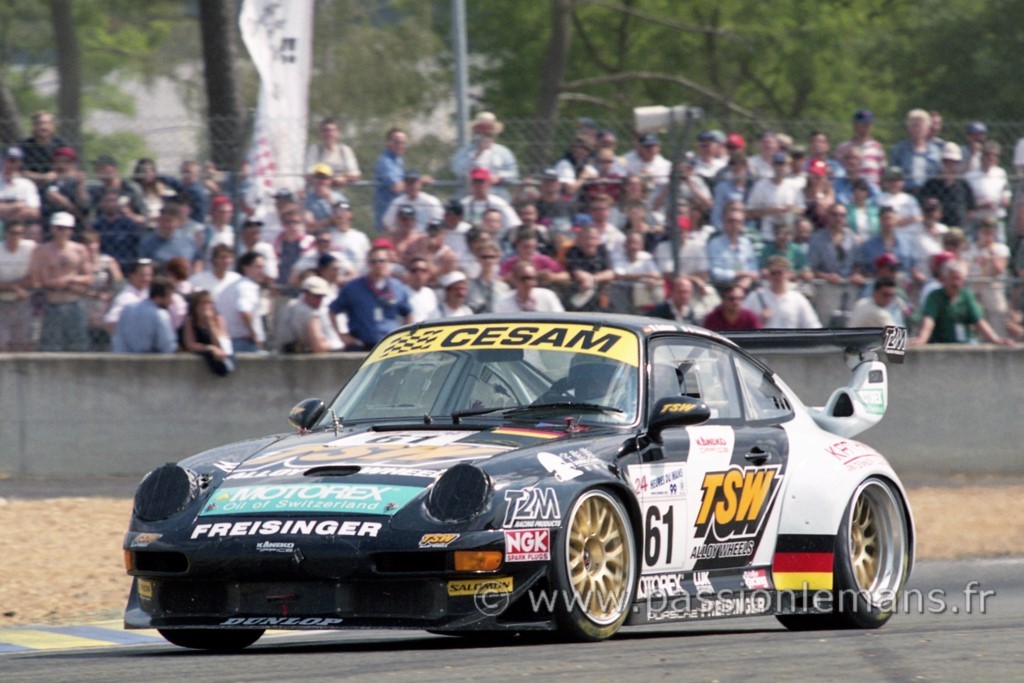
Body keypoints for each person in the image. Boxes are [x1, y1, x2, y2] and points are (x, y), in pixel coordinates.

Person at [28, 212, 91, 351]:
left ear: (71, 230)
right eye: (59, 227)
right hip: (52, 303)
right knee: (51, 346)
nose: (62, 232)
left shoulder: (79, 250)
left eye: (66, 228)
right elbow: (35, 278)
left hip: (74, 302)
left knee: (78, 346)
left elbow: (88, 277)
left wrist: (70, 279)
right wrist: (52, 283)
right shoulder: (41, 250)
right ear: (52, 229)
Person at [329, 246, 412, 350]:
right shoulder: (353, 287)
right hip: (361, 347)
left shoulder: (397, 287)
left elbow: (408, 313)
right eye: (374, 261)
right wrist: (342, 336)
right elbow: (332, 311)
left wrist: (407, 337)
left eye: (381, 261)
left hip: (390, 348)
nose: (378, 265)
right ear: (368, 263)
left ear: (388, 262)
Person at [911, 260, 1011, 345]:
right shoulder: (935, 296)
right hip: (941, 343)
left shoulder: (966, 296)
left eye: (959, 279)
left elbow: (978, 321)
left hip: (965, 343)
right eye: (953, 278)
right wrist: (922, 338)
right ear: (944, 279)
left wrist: (995, 339)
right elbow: (929, 320)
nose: (956, 283)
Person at [451, 111, 520, 199]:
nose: (485, 131)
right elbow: (457, 170)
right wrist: (477, 153)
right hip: (469, 195)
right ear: (475, 129)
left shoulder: (503, 152)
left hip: (497, 195)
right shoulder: (465, 151)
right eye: (482, 127)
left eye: (489, 127)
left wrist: (500, 177)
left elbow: (514, 174)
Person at [743, 257, 821, 329]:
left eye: (779, 273)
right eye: (773, 273)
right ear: (768, 275)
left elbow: (812, 325)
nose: (776, 277)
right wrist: (758, 321)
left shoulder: (798, 299)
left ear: (788, 274)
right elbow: (741, 325)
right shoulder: (755, 297)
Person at [963, 217, 1010, 336]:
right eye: (985, 232)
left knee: (997, 317)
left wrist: (991, 254)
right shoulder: (969, 249)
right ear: (979, 232)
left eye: (991, 232)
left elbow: (998, 270)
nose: (988, 235)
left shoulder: (1000, 249)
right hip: (972, 286)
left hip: (992, 287)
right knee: (974, 322)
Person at [746, 151, 803, 241]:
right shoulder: (761, 185)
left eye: (783, 165)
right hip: (767, 236)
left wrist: (790, 209)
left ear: (788, 167)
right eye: (778, 164)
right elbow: (749, 212)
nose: (780, 168)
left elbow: (802, 209)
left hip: (788, 236)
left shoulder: (794, 186)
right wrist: (768, 211)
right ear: (772, 166)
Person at [111, 277, 177, 353]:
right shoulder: (160, 315)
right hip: (151, 362)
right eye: (169, 297)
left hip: (123, 361)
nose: (171, 301)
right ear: (159, 298)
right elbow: (167, 345)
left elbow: (118, 338)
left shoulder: (127, 309)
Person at [219, 251, 267, 352]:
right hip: (243, 342)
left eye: (263, 267)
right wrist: (255, 335)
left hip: (230, 341)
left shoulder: (235, 285)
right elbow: (245, 311)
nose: (262, 271)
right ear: (246, 268)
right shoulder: (247, 287)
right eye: (258, 267)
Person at [0, 221, 37, 351]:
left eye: (20, 233)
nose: (16, 236)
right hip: (2, 303)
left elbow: (34, 277)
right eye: (13, 233)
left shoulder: (30, 248)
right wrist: (14, 288)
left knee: (23, 343)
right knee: (2, 345)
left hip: (24, 301)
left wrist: (12, 286)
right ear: (5, 234)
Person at [964, 141, 1010, 241]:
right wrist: (981, 206)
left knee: (999, 249)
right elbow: (966, 203)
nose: (991, 158)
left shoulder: (1001, 173)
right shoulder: (971, 176)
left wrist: (1000, 202)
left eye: (995, 155)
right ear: (982, 155)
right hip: (978, 221)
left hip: (996, 219)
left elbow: (1006, 195)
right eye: (988, 154)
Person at [181, 290, 234, 374]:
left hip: (220, 359)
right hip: (203, 356)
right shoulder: (190, 320)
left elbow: (221, 345)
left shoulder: (219, 319)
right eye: (203, 303)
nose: (206, 306)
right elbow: (190, 344)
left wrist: (210, 323)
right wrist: (210, 348)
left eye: (209, 303)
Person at [275, 275, 333, 354]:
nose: (319, 300)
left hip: (283, 356)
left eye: (322, 296)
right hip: (298, 360)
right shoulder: (308, 312)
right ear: (306, 293)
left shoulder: (289, 306)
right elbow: (319, 348)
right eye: (316, 296)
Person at [888, 109, 943, 191]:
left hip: (930, 192)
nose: (917, 129)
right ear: (908, 128)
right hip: (906, 192)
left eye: (920, 125)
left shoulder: (936, 150)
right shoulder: (898, 150)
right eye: (914, 125)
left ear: (928, 129)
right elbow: (893, 174)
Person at [707, 207, 759, 291]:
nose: (734, 224)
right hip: (723, 287)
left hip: (746, 285)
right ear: (724, 223)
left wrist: (747, 280)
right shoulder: (715, 243)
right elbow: (714, 272)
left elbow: (754, 269)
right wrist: (737, 274)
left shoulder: (746, 243)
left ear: (742, 225)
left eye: (738, 222)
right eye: (730, 221)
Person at [565, 225, 616, 311]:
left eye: (594, 239)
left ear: (598, 240)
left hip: (600, 292)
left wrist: (592, 279)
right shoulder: (573, 251)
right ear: (580, 240)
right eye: (587, 239)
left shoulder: (602, 250)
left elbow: (610, 273)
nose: (590, 242)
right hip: (579, 292)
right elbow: (577, 272)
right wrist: (589, 280)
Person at [834, 109, 887, 186]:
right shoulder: (843, 148)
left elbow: (882, 172)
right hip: (849, 191)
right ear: (855, 126)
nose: (865, 127)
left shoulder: (877, 147)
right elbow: (838, 171)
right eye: (862, 124)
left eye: (868, 124)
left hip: (872, 192)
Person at [304, 117, 361, 187]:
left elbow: (355, 174)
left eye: (332, 130)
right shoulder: (315, 149)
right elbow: (308, 174)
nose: (329, 134)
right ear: (320, 133)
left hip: (340, 191)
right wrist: (333, 179)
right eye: (325, 131)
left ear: (338, 133)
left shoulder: (345, 150)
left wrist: (344, 178)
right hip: (318, 191)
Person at [18, 111, 70, 188]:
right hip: (29, 185)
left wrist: (56, 174)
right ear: (34, 126)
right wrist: (43, 177)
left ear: (53, 126)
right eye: (39, 123)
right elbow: (18, 172)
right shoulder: (24, 146)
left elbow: (71, 169)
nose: (43, 127)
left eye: (47, 123)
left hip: (57, 184)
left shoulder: (61, 145)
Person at [493, 261, 565, 313]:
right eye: (524, 278)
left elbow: (560, 319)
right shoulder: (503, 301)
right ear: (515, 279)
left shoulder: (547, 296)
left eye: (532, 278)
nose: (528, 282)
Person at [374, 127, 408, 231]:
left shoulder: (398, 160)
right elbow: (396, 187)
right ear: (388, 143)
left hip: (399, 214)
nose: (400, 145)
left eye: (403, 143)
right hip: (388, 214)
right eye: (397, 142)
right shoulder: (385, 161)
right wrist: (417, 182)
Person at [0, 147, 42, 225]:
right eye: (10, 160)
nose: (12, 164)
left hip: (20, 226)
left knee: (34, 229)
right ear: (3, 160)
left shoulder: (27, 184)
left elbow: (34, 212)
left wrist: (5, 211)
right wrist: (16, 206)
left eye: (16, 161)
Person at [465, 240, 509, 313]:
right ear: (478, 258)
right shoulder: (469, 287)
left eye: (492, 257)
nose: (488, 260)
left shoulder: (503, 287)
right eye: (484, 257)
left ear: (497, 259)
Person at [403, 255, 439, 322]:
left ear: (428, 274)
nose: (418, 273)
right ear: (408, 273)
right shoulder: (402, 292)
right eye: (414, 270)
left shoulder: (430, 293)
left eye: (422, 270)